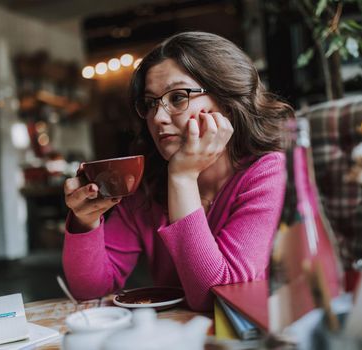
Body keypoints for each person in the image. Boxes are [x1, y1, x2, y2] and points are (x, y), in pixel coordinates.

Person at [62, 31, 293, 311]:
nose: (157, 118)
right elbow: (90, 290)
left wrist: (183, 178)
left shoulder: (267, 173)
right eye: (150, 103)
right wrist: (85, 221)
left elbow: (217, 299)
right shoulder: (147, 184)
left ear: (228, 104)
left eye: (178, 97)